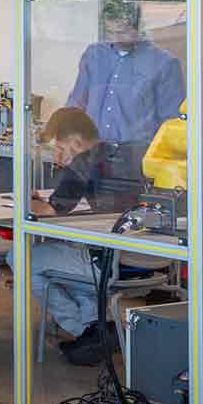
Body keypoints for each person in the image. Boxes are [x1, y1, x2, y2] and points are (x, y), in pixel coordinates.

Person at [25, 107, 120, 366]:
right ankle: (97, 325)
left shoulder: (83, 162)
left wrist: (29, 200)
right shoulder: (117, 152)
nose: (57, 155)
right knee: (68, 252)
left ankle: (84, 332)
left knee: (22, 258)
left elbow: (50, 212)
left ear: (76, 142)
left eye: (59, 147)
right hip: (147, 260)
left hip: (107, 263)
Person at [65, 0, 184, 180]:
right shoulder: (94, 54)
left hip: (136, 157)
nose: (115, 38)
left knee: (128, 207)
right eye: (110, 31)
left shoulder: (164, 63)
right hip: (92, 153)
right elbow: (77, 101)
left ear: (137, 27)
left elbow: (171, 120)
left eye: (121, 32)